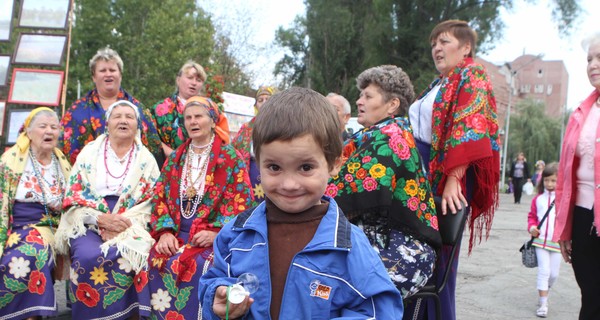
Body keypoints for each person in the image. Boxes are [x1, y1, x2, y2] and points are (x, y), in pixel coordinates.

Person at [199, 87, 403, 319]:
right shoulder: (236, 234)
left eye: (305, 167)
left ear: (334, 164)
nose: (289, 184)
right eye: (274, 167)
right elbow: (215, 278)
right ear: (258, 162)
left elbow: (378, 311)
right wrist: (217, 298)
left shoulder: (349, 246)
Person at [407, 20, 500, 319]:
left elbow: (469, 125)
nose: (436, 48)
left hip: (446, 177)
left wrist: (454, 180)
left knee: (437, 260)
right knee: (416, 256)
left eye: (444, 41)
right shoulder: (439, 83)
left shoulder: (472, 73)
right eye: (434, 43)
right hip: (423, 175)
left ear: (466, 47)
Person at [328, 65, 442, 299]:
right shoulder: (369, 135)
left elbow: (340, 191)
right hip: (372, 243)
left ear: (392, 105)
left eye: (368, 96)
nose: (359, 101)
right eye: (360, 95)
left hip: (403, 251)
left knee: (332, 290)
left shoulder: (391, 136)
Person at [147, 96, 253, 319]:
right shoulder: (176, 157)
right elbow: (158, 197)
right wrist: (165, 232)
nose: (193, 122)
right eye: (188, 118)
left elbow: (242, 203)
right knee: (155, 257)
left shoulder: (230, 158)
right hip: (177, 234)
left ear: (213, 121)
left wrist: (217, 234)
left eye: (198, 116)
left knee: (201, 264)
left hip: (212, 237)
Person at [54, 100, 160, 319]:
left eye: (129, 117)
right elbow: (73, 195)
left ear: (137, 125)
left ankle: (128, 315)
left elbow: (153, 200)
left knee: (135, 253)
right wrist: (99, 219)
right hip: (89, 221)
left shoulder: (147, 159)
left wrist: (124, 224)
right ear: (107, 123)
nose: (123, 120)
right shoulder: (89, 152)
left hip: (131, 222)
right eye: (117, 116)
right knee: (86, 256)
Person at [0, 108, 71, 320]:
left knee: (35, 250)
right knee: (15, 258)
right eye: (42, 126)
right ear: (28, 132)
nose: (49, 131)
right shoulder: (10, 161)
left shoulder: (62, 163)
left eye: (54, 127)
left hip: (54, 225)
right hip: (18, 224)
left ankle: (33, 314)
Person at [554, 32, 600, 320]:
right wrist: (564, 227)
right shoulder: (581, 112)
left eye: (599, 58)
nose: (593, 64)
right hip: (583, 217)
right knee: (591, 297)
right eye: (589, 59)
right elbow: (564, 177)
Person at [59, 47, 161, 164]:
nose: (108, 74)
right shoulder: (76, 111)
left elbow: (154, 152)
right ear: (94, 76)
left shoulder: (139, 110)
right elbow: (63, 152)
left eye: (112, 70)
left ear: (120, 75)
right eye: (102, 71)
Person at [149, 60, 207, 159]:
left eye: (198, 80)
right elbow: (150, 137)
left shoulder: (209, 110)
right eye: (189, 78)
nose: (194, 83)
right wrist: (175, 156)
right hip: (167, 165)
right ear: (178, 80)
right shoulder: (159, 109)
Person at [231, 85, 278, 205]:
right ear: (256, 105)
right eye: (260, 100)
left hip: (275, 171)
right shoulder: (247, 128)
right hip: (251, 172)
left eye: (268, 99)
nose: (264, 103)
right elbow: (234, 150)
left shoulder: (282, 125)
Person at [527, 162, 560, 318]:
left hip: (557, 242)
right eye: (547, 180)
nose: (549, 183)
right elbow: (532, 217)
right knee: (544, 271)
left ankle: (544, 291)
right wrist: (532, 228)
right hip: (540, 241)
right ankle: (543, 303)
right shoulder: (538, 199)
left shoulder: (563, 200)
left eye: (553, 180)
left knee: (553, 274)